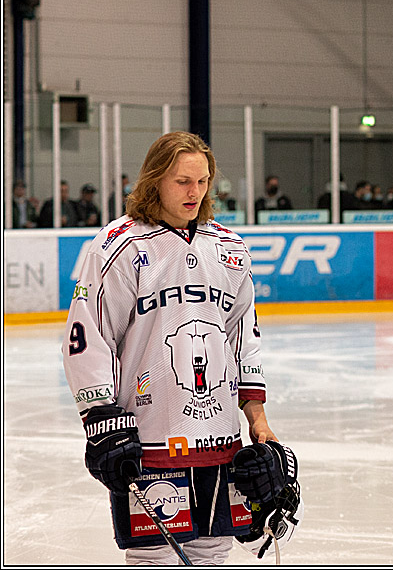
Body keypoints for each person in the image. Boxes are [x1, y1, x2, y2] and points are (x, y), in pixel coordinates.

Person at [61, 131, 300, 564]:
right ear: (155, 180)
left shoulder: (229, 248)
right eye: (182, 181)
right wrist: (98, 416)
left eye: (203, 181)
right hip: (149, 440)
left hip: (221, 438)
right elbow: (87, 335)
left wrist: (258, 419)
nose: (195, 192)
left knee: (212, 554)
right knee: (152, 560)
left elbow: (243, 336)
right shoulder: (120, 245)